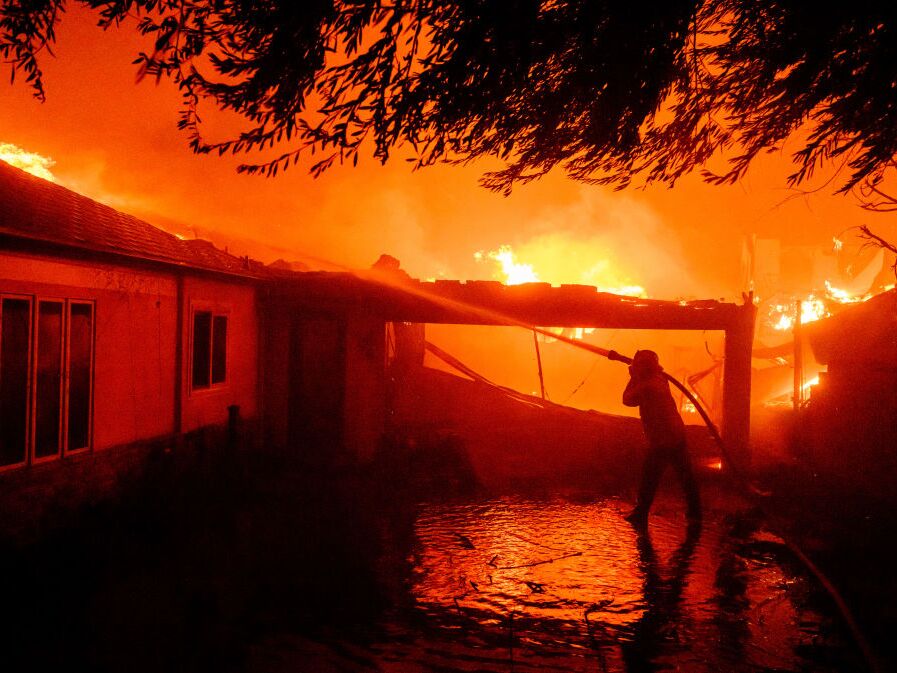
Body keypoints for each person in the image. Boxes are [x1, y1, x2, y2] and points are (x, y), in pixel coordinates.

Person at [622, 349, 701, 527]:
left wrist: (634, 377)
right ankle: (695, 513)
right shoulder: (659, 379)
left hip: (663, 438)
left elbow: (627, 399)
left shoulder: (649, 384)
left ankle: (641, 514)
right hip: (673, 434)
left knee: (650, 476)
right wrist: (636, 375)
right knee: (685, 475)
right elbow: (633, 400)